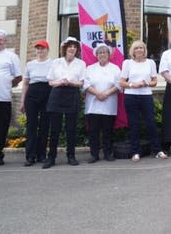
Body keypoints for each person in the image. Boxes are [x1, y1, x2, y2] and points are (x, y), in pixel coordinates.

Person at [120, 40, 168, 162]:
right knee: (134, 124)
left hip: (146, 96)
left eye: (141, 48)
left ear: (144, 50)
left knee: (151, 123)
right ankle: (135, 152)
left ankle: (157, 150)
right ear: (133, 51)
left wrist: (146, 83)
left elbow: (154, 81)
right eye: (136, 48)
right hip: (131, 96)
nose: (139, 50)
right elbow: (122, 82)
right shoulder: (127, 63)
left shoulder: (150, 63)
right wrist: (132, 85)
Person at [44, 37, 86, 168]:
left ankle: (71, 156)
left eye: (75, 47)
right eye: (70, 46)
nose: (72, 48)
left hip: (72, 94)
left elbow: (81, 82)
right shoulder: (56, 62)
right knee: (55, 129)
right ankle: (51, 158)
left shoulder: (81, 63)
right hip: (57, 94)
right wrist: (60, 82)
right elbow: (50, 81)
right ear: (65, 48)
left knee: (71, 129)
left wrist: (71, 82)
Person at [84, 43, 121, 163]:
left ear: (109, 55)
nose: (102, 54)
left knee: (108, 131)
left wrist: (106, 93)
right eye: (100, 53)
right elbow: (85, 84)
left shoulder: (115, 68)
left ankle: (107, 153)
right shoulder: (90, 68)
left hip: (109, 105)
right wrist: (97, 93)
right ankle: (94, 154)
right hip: (92, 105)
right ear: (96, 55)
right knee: (93, 132)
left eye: (105, 52)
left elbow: (119, 85)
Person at [20, 39, 52, 166]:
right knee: (31, 126)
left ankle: (42, 155)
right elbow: (25, 84)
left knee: (45, 125)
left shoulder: (52, 63)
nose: (40, 51)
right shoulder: (30, 64)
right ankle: (30, 156)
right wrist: (22, 101)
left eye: (42, 48)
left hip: (47, 93)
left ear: (47, 50)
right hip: (32, 94)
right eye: (38, 48)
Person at [0, 30, 22, 166]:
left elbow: (18, 76)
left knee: (1, 127)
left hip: (3, 98)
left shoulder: (11, 56)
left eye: (0, 39)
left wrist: (6, 84)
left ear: (5, 41)